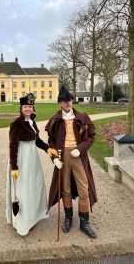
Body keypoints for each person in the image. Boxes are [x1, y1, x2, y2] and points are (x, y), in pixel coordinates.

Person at [45, 85, 97, 238]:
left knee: (84, 188)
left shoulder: (83, 118)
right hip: (63, 157)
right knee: (65, 188)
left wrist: (80, 148)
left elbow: (90, 138)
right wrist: (54, 159)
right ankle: (68, 218)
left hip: (78, 156)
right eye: (64, 101)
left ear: (72, 101)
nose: (67, 103)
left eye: (69, 100)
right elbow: (51, 142)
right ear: (59, 103)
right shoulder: (55, 120)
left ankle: (84, 221)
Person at [6, 93, 57, 236]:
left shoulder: (32, 122)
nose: (28, 109)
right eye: (25, 106)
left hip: (32, 159)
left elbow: (37, 140)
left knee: (34, 186)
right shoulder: (16, 124)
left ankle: (33, 216)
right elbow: (13, 146)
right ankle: (22, 223)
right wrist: (14, 166)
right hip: (21, 159)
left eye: (30, 106)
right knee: (23, 190)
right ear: (21, 108)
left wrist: (48, 148)